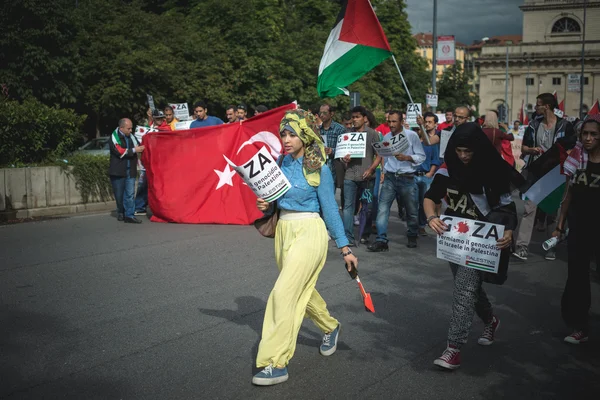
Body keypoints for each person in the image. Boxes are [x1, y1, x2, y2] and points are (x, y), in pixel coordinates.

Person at [252, 109, 358, 386]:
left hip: (310, 232)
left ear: (305, 135)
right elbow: (274, 200)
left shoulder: (319, 167)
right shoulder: (279, 162)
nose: (286, 139)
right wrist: (265, 204)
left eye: (292, 134)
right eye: (283, 134)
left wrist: (344, 248)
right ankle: (330, 326)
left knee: (283, 293)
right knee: (302, 289)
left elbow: (330, 210)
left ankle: (275, 362)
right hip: (284, 232)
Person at [424, 123, 522, 370]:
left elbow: (507, 208)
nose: (464, 156)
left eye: (468, 151)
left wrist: (509, 230)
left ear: (478, 149)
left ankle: (453, 348)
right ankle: (490, 320)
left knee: (464, 290)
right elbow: (430, 198)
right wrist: (431, 217)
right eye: (459, 151)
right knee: (468, 288)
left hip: (482, 242)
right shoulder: (447, 171)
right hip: (454, 239)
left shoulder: (493, 173)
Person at [551, 115, 600, 344]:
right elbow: (568, 195)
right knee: (578, 278)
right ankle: (579, 325)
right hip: (579, 228)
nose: (588, 138)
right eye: (585, 134)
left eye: (594, 134)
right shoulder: (578, 160)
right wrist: (559, 226)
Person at [513, 93, 575, 261]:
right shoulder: (533, 125)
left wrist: (562, 155)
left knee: (552, 212)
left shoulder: (565, 126)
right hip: (535, 173)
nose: (536, 107)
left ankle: (550, 247)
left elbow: (572, 148)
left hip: (555, 175)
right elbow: (524, 147)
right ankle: (521, 247)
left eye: (538, 104)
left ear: (546, 106)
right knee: (529, 209)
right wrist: (531, 150)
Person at [368, 110, 425, 251]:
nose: (391, 124)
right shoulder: (386, 136)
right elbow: (384, 156)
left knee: (411, 210)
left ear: (401, 122)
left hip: (407, 178)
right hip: (390, 178)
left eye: (394, 121)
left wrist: (408, 158)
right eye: (389, 121)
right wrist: (383, 171)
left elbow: (421, 156)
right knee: (382, 209)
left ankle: (412, 234)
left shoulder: (412, 136)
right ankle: (381, 240)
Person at [342, 106, 382, 246]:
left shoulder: (372, 134)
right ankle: (348, 237)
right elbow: (342, 155)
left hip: (367, 177)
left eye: (357, 117)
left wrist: (371, 169)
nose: (354, 120)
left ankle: (364, 234)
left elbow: (379, 155)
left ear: (364, 118)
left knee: (367, 207)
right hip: (350, 176)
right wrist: (344, 159)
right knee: (348, 207)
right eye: (353, 117)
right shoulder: (347, 134)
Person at [109, 118, 144, 224]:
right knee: (119, 194)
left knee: (130, 193)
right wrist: (134, 150)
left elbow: (138, 146)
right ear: (121, 128)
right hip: (118, 170)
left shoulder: (132, 137)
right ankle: (121, 211)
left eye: (131, 128)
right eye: (128, 128)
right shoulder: (113, 137)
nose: (130, 130)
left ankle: (130, 215)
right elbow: (119, 151)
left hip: (131, 169)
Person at [415, 112, 441, 235]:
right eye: (425, 122)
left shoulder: (434, 141)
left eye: (430, 122)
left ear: (436, 124)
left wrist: (430, 173)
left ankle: (421, 225)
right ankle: (413, 226)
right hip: (413, 175)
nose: (427, 124)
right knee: (412, 202)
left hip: (426, 176)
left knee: (423, 202)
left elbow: (435, 160)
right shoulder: (416, 139)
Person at [319, 104, 346, 190]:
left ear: (331, 114)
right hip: (320, 165)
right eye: (320, 113)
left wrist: (332, 151)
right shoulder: (317, 129)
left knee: (329, 193)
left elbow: (344, 148)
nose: (321, 115)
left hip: (334, 166)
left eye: (324, 113)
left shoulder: (340, 129)